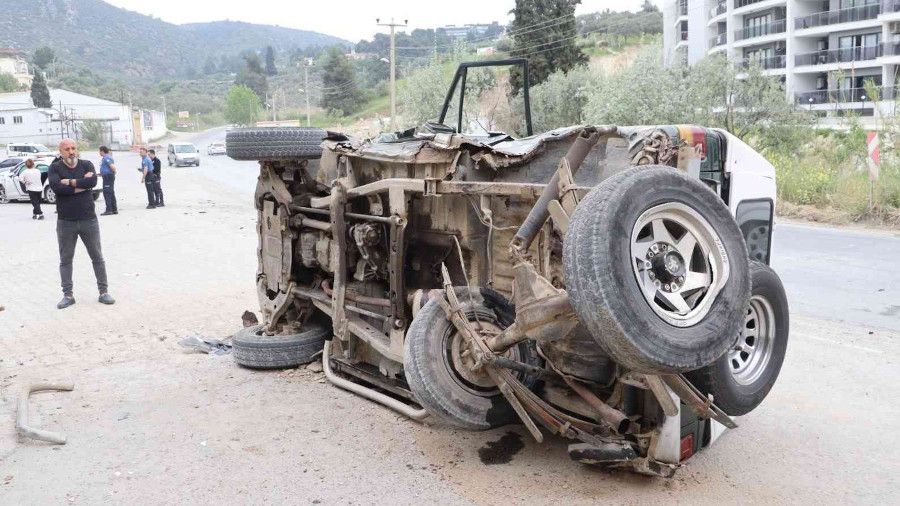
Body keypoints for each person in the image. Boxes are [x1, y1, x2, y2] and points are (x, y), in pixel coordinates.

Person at [48, 138, 115, 309]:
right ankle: (68, 295)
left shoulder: (86, 164)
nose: (71, 152)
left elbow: (92, 182)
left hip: (88, 220)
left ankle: (103, 292)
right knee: (65, 259)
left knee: (97, 257)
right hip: (65, 222)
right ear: (61, 152)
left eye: (73, 148)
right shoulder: (54, 167)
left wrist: (69, 182)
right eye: (67, 149)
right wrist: (81, 185)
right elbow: (57, 188)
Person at [98, 145, 118, 215]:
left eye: (99, 151)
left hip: (108, 177)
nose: (99, 153)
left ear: (102, 151)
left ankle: (109, 210)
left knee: (107, 193)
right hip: (107, 176)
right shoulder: (106, 157)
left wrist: (112, 173)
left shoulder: (106, 158)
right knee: (111, 193)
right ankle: (114, 209)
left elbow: (113, 167)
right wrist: (102, 173)